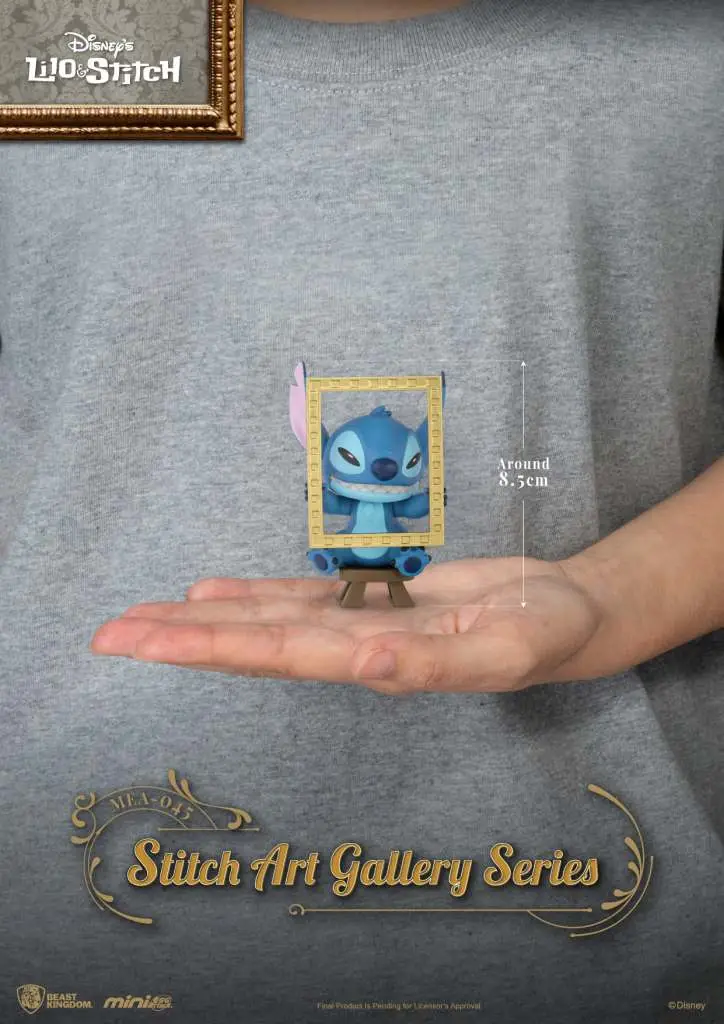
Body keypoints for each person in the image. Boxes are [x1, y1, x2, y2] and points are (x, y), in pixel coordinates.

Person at [1, 1, 723, 1022]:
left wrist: (612, 596)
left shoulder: (688, 45)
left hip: (610, 925)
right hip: (69, 931)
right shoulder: (45, 38)